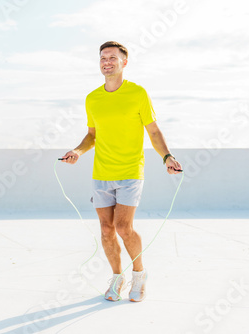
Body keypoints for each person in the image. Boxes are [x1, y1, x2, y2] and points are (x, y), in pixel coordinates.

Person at [61, 41, 183, 302]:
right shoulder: (92, 98)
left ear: (124, 62)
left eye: (113, 58)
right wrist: (77, 152)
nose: (107, 62)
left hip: (130, 171)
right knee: (106, 229)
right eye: (103, 57)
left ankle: (139, 274)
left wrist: (167, 157)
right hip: (101, 173)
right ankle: (118, 277)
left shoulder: (138, 93)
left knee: (123, 227)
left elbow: (152, 130)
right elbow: (92, 135)